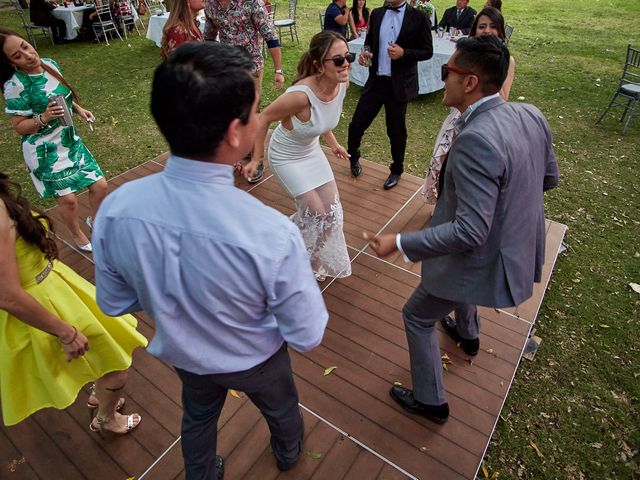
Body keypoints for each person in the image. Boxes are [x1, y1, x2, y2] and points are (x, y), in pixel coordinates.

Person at [92, 42, 329, 479]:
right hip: (258, 360)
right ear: (238, 132)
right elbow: (308, 333)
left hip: (187, 357)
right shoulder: (271, 233)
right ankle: (289, 453)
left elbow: (113, 302)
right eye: (256, 112)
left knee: (197, 418)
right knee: (281, 410)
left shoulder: (116, 208)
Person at [366, 36, 559, 424]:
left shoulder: (475, 140)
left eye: (446, 72)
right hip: (512, 246)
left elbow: (470, 232)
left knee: (417, 316)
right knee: (450, 285)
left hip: (484, 258)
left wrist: (400, 241)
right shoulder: (531, 114)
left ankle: (431, 401)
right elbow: (548, 178)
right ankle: (467, 334)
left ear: (469, 83)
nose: (442, 80)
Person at [0, 173, 147, 432]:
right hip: (42, 306)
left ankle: (99, 394)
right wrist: (65, 333)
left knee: (105, 357)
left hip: (55, 288)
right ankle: (106, 419)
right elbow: (7, 294)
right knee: (118, 365)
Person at [244, 31, 353, 282]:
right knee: (315, 213)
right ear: (318, 64)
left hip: (311, 151)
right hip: (286, 156)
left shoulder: (341, 84)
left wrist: (334, 144)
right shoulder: (299, 96)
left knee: (332, 214)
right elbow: (263, 119)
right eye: (337, 60)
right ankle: (282, 248)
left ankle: (312, 260)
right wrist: (257, 159)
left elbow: (322, 119)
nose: (345, 64)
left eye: (348, 56)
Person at [0, 29, 108, 253]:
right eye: (17, 56)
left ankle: (95, 221)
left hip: (68, 141)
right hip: (44, 150)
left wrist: (79, 110)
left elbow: (63, 96)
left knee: (100, 185)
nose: (28, 55)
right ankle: (76, 233)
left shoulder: (49, 64)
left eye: (25, 46)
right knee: (68, 200)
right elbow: (19, 127)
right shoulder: (15, 86)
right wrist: (44, 117)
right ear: (11, 63)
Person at [423, 6, 516, 204]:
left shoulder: (506, 61)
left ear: (500, 31)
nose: (487, 31)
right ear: (474, 30)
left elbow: (503, 96)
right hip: (457, 116)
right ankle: (441, 203)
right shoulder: (464, 54)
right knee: (442, 163)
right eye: (482, 26)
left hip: (482, 120)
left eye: (493, 26)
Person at [347, 0, 433, 190]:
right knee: (357, 124)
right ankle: (353, 156)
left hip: (399, 85)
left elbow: (427, 51)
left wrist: (405, 52)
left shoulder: (419, 17)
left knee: (396, 131)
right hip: (376, 82)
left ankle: (396, 169)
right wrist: (366, 53)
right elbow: (369, 41)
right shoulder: (377, 13)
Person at [204, 0, 284, 184]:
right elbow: (209, 37)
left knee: (251, 114)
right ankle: (237, 154)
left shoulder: (251, 3)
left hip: (251, 66)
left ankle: (257, 160)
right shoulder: (210, 4)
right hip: (226, 68)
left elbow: (270, 36)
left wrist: (278, 70)